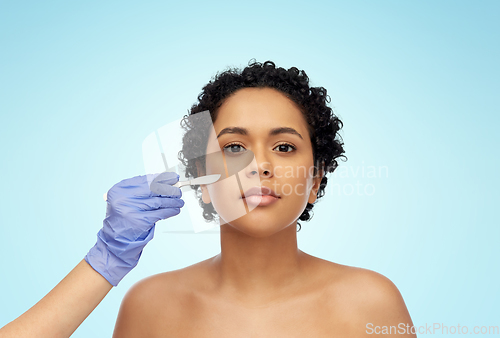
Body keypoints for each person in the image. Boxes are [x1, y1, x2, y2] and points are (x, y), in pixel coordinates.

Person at [0, 60, 416, 337]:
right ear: (201, 175)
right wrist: (104, 258)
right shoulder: (150, 307)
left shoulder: (370, 302)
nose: (259, 164)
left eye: (285, 147)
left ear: (315, 180)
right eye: (234, 147)